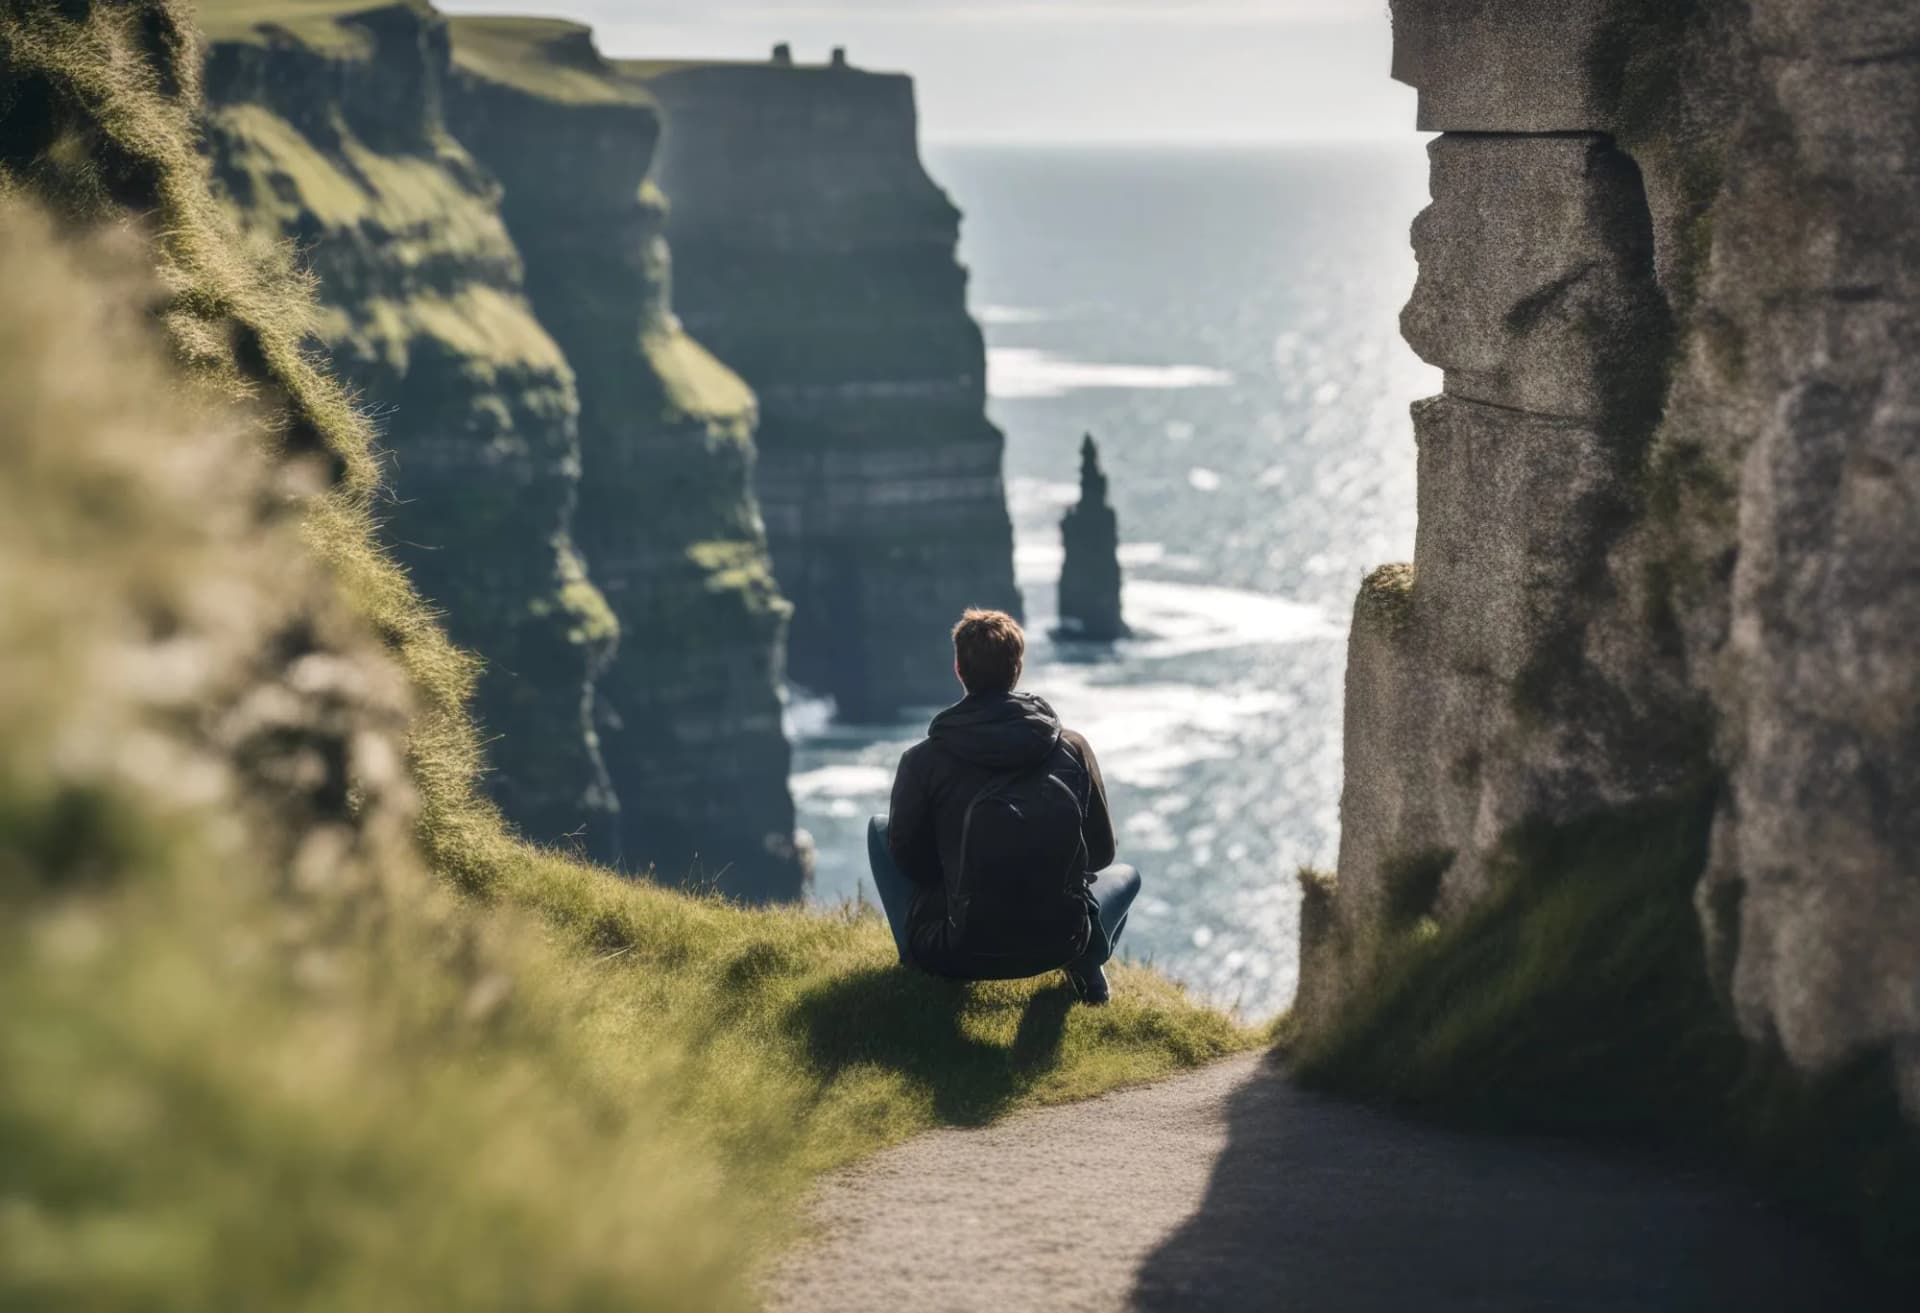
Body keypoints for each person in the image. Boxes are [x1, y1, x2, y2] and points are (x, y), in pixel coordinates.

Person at [868, 608, 1141, 1003]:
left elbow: (913, 865)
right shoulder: (1072, 748)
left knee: (880, 830)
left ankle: (916, 963)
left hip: (959, 951)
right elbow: (1100, 856)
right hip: (1060, 941)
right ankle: (1086, 966)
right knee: (1126, 875)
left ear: (959, 669)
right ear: (1018, 667)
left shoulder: (921, 761)